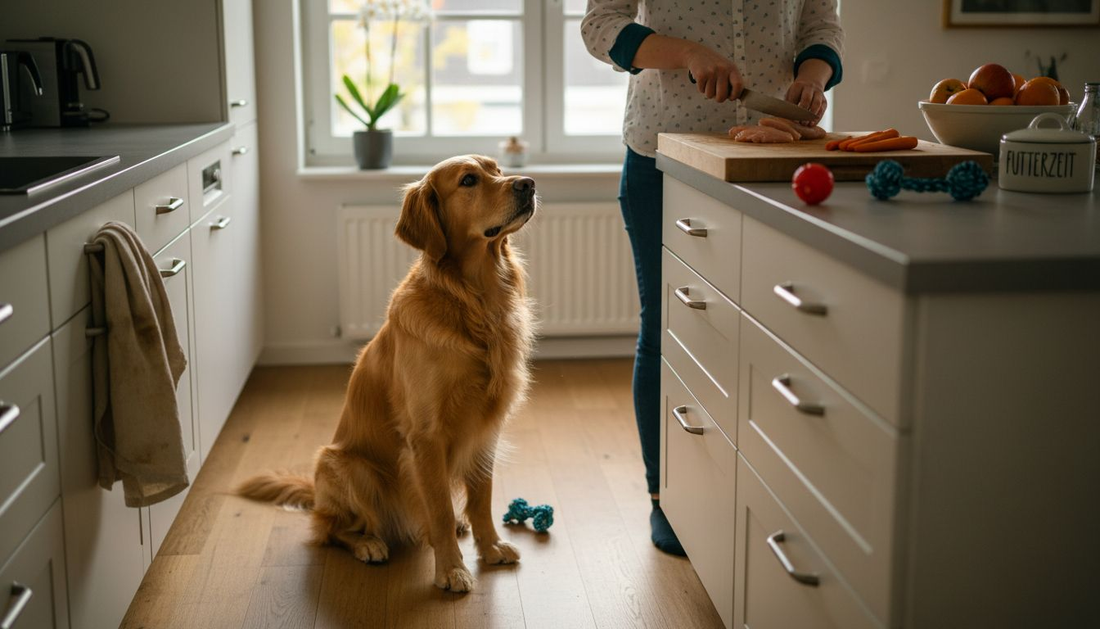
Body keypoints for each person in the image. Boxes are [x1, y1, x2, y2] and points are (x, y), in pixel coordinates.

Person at [581, 0, 844, 556]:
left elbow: (821, 23)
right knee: (669, 330)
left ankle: (765, 491)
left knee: (775, 336)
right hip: (664, 156)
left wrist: (811, 77)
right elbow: (600, 26)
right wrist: (687, 53)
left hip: (778, 155)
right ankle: (667, 496)